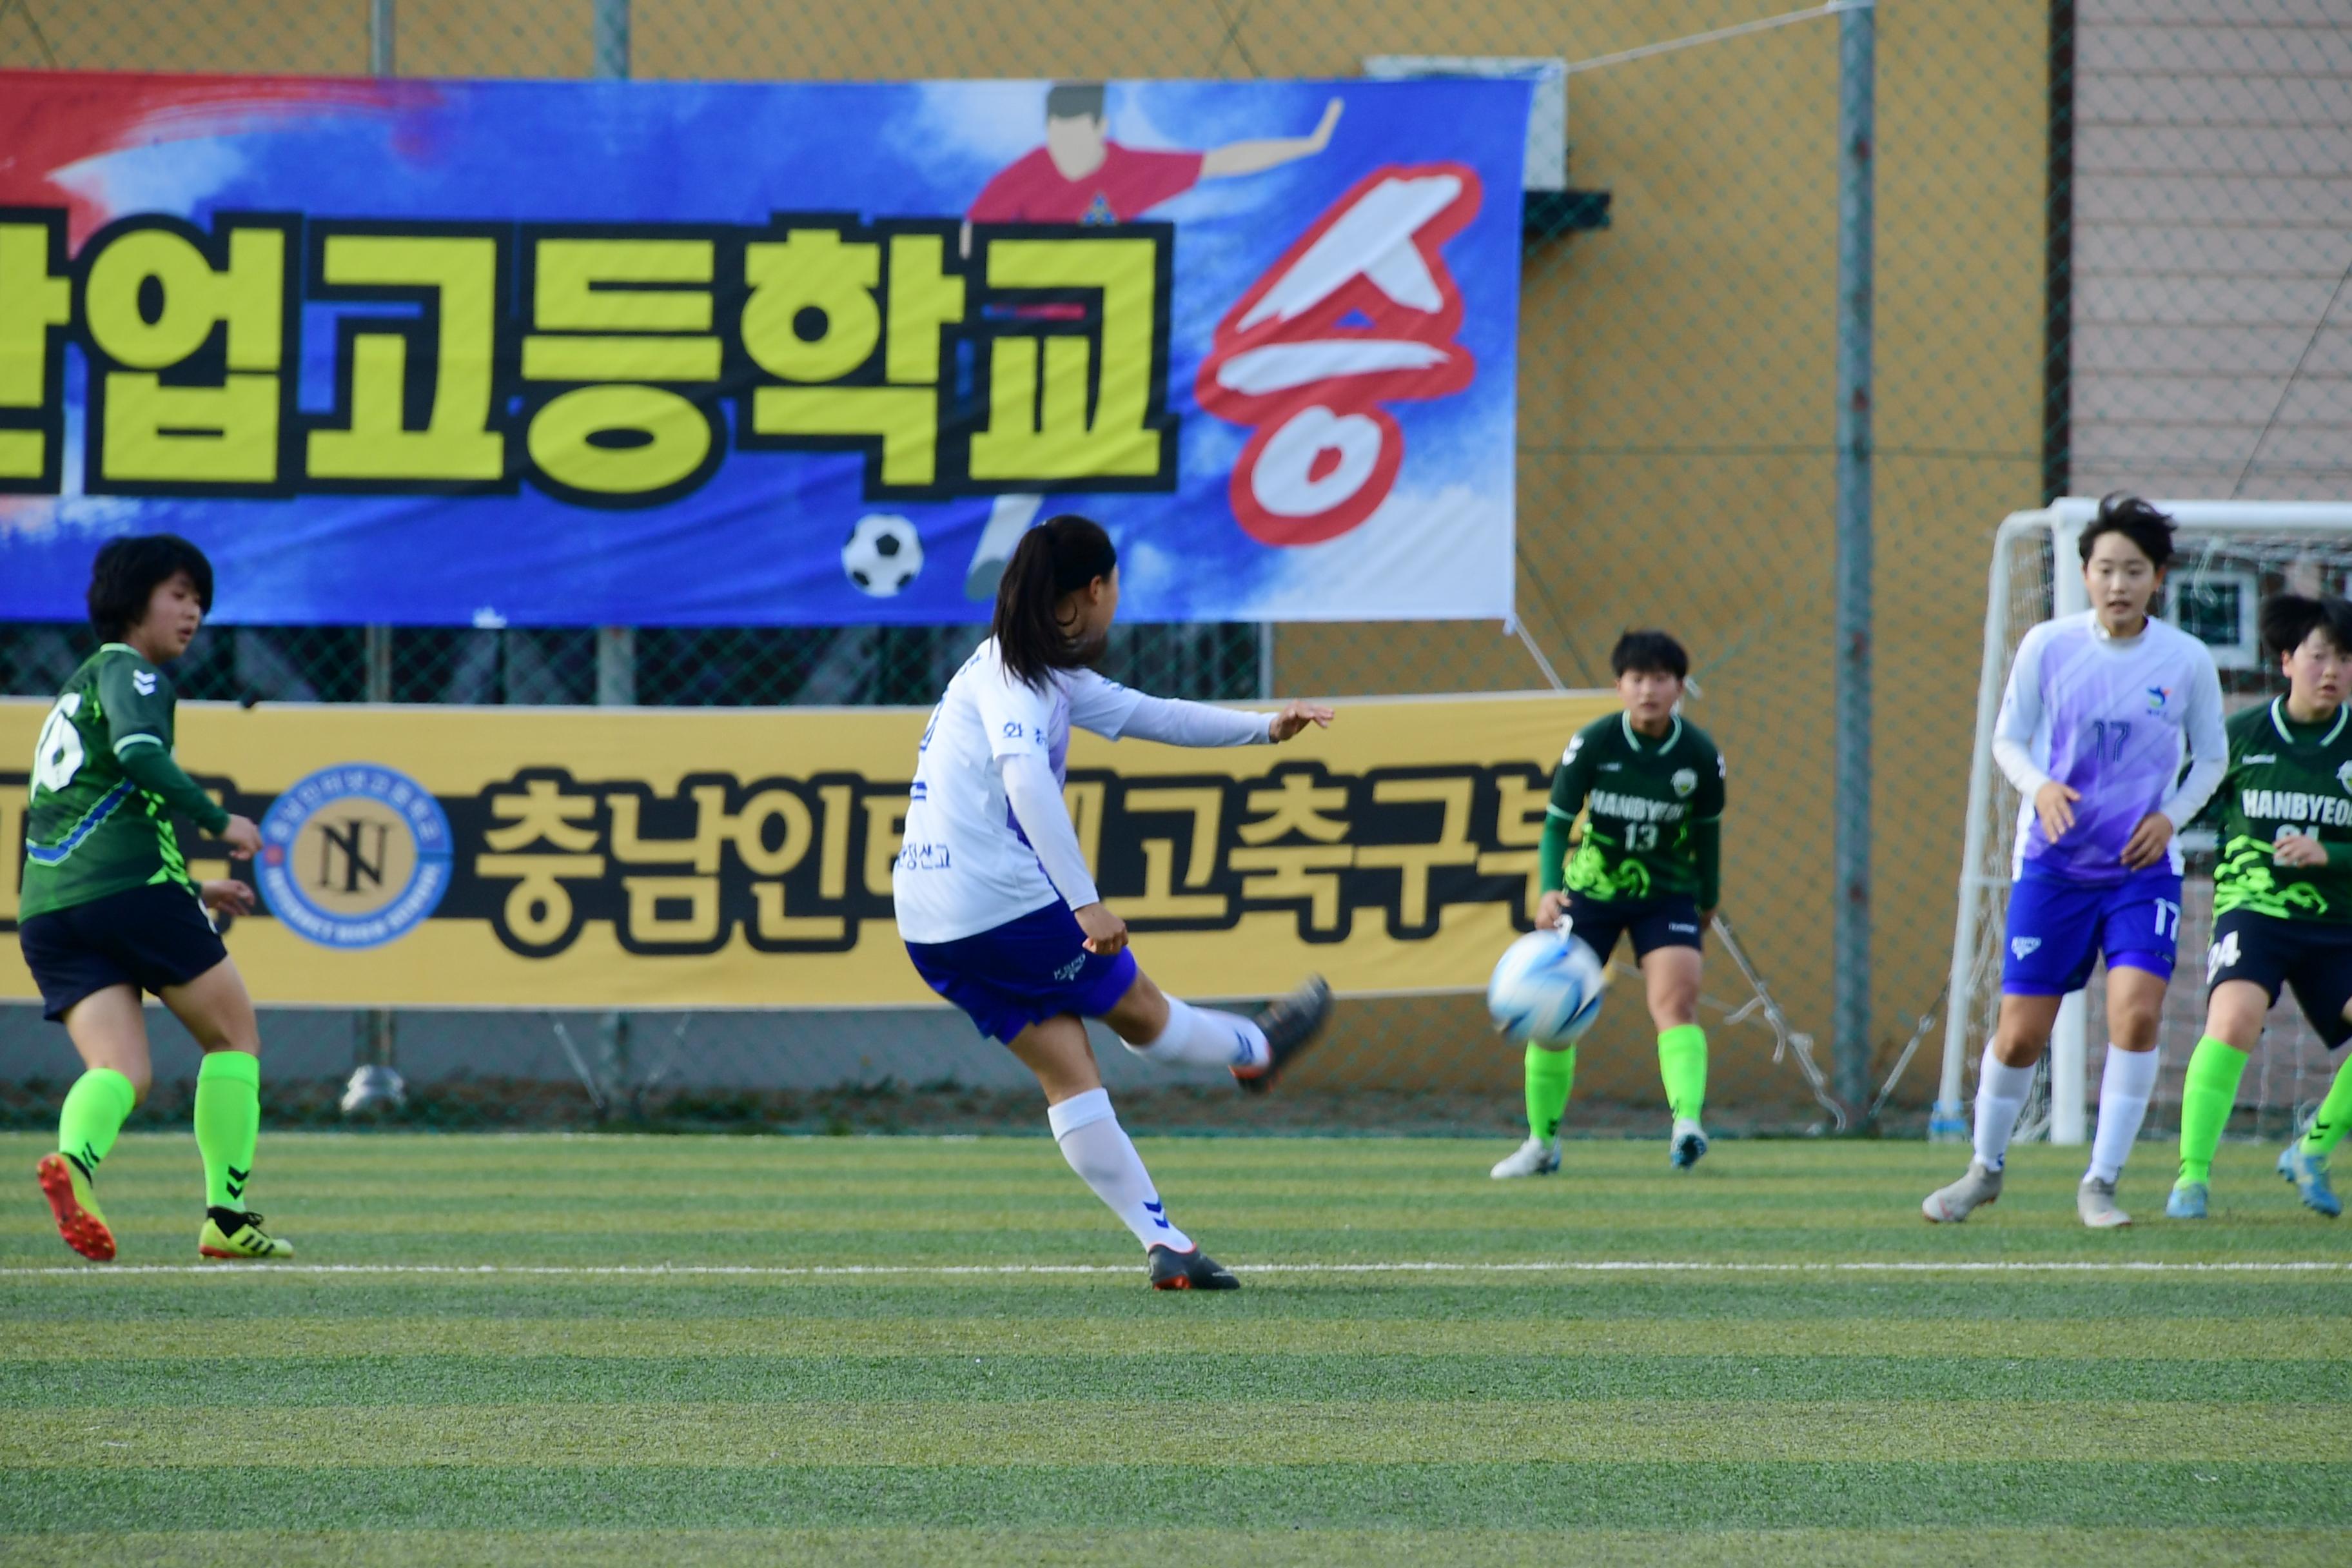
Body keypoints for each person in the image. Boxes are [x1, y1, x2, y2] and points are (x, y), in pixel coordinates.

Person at [894, 513, 1335, 1288]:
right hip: (1001, 901)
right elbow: (1025, 778)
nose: (1115, 604)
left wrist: (1267, 728)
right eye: (1114, 588)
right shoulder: (1015, 680)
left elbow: (1153, 715)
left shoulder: (1028, 669)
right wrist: (1085, 903)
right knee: (1143, 1012)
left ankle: (1166, 1243)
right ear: (1093, 589)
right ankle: (1254, 1052)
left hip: (929, 921)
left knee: (1069, 1070)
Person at [1924, 495, 2225, 1228]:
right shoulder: (2047, 646)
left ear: (2158, 577)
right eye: (2104, 569)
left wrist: (2169, 818)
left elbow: (2212, 757)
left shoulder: (2185, 658)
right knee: (2021, 1033)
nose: (2118, 583)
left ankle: (2101, 1181)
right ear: (2084, 574)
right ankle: (1984, 1169)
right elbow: (2008, 740)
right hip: (2053, 869)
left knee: (2137, 1015)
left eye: (2134, 570)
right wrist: (2042, 786)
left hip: (2138, 872)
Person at [958, 81, 1344, 602]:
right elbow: (968, 238)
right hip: (1043, 346)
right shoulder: (1024, 177)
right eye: (1058, 140)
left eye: (1078, 140)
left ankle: (1099, 569)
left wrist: (1308, 145)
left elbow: (1220, 162)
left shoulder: (1127, 170)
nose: (1067, 154)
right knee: (1033, 458)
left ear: (1102, 130)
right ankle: (995, 560)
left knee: (1138, 456)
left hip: (1117, 345)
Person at [19, 534, 291, 1262]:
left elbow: (88, 811)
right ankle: (226, 1218)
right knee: (234, 1038)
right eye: (179, 594)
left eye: (200, 598)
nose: (193, 610)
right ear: (132, 600)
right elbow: (141, 756)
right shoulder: (132, 674)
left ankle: (74, 1163)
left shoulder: (74, 689)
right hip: (131, 893)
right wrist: (217, 819)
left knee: (120, 1073)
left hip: (50, 910)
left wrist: (192, 885)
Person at [1491, 629, 1726, 1179]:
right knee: (1553, 1021)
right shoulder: (1595, 742)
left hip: (1665, 892)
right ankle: (1541, 1144)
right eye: (1637, 679)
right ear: (1619, 686)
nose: (1649, 690)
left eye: (1661, 679)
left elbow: (1708, 834)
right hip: (1591, 893)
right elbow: (1555, 824)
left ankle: (1687, 1125)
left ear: (1679, 687)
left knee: (1676, 1003)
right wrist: (1550, 888)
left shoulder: (1698, 754)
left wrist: (1708, 897)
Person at [2171, 593, 2352, 1220]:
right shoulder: (2241, 735)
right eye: (2320, 655)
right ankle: (2192, 1177)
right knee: (2235, 1019)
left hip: (2338, 923)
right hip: (2255, 910)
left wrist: (2329, 852)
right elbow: (2178, 796)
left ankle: (2313, 1148)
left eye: (2346, 659)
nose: (2332, 671)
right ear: (2286, 659)